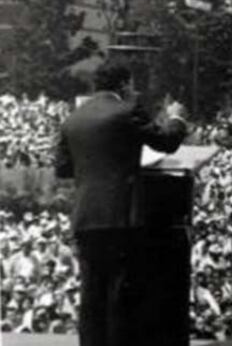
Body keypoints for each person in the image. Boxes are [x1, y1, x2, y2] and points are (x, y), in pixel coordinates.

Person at [54, 59, 188, 346]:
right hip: (121, 216)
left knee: (91, 293)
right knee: (120, 293)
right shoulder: (127, 111)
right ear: (125, 83)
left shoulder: (73, 118)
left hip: (86, 216)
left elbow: (63, 169)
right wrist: (176, 118)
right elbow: (166, 142)